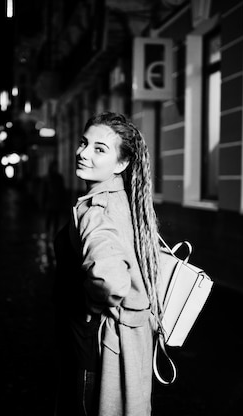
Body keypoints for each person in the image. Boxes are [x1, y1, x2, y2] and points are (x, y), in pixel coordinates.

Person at [52, 111, 162, 416]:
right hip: (125, 343)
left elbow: (111, 282)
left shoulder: (96, 210)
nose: (83, 153)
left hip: (93, 349)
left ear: (122, 163)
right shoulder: (121, 199)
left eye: (100, 149)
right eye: (84, 143)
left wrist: (90, 307)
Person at [42, 160, 67, 239]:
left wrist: (63, 201)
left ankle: (54, 234)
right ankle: (48, 232)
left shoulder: (59, 177)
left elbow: (62, 190)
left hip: (56, 201)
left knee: (56, 218)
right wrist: (43, 202)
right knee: (49, 218)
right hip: (50, 201)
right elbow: (45, 191)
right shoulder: (48, 178)